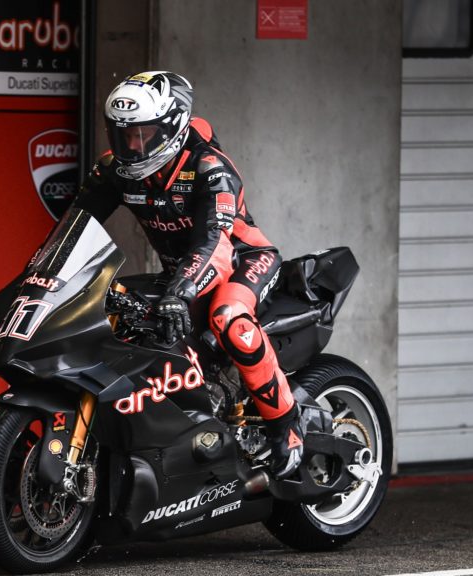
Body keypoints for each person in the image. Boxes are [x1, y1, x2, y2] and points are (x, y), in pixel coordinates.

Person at [74, 71, 304, 479]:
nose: (131, 146)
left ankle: (286, 428)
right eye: (122, 135)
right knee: (118, 307)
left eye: (142, 135)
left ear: (172, 128)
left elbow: (215, 241)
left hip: (242, 259)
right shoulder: (114, 169)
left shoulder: (210, 168)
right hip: (183, 271)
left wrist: (180, 292)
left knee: (229, 319)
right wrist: (38, 280)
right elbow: (74, 226)